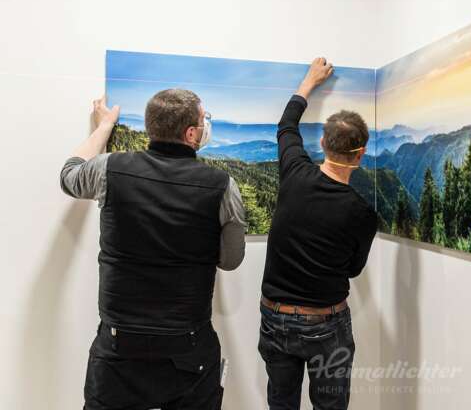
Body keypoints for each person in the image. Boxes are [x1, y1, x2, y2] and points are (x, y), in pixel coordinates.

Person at [59, 90, 246, 410]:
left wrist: (104, 127)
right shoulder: (222, 185)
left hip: (120, 346)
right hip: (188, 346)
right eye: (204, 121)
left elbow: (69, 176)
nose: (206, 126)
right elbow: (230, 260)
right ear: (191, 133)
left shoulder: (109, 169)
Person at [258, 57, 378, 410]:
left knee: (281, 405)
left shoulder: (294, 171)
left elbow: (286, 125)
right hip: (326, 322)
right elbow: (353, 269)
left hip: (275, 316)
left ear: (323, 141)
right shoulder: (362, 213)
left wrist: (309, 82)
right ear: (360, 155)